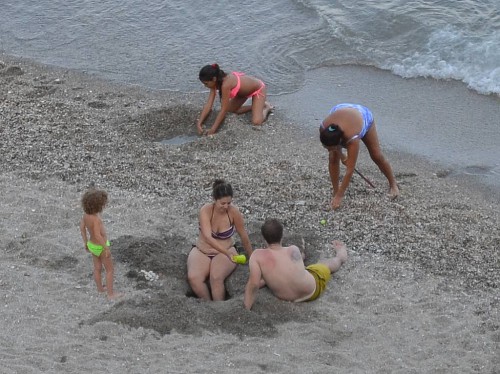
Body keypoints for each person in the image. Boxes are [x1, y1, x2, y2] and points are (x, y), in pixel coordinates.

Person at [244, 218, 348, 310]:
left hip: (288, 298)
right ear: (282, 236)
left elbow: (254, 284)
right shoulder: (293, 249)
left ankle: (341, 257)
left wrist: (246, 308)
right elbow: (299, 262)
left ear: (264, 239)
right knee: (325, 265)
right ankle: (340, 257)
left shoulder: (257, 256)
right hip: (311, 291)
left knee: (302, 269)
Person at [319, 103, 399, 210]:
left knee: (376, 155)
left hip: (362, 116)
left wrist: (340, 196)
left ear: (341, 141)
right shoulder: (324, 127)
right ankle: (335, 190)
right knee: (333, 158)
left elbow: (349, 170)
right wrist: (340, 154)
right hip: (342, 109)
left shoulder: (352, 139)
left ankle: (393, 184)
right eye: (325, 147)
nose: (327, 149)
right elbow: (336, 152)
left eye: (330, 147)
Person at [187, 179, 253, 301]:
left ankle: (219, 307)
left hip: (226, 250)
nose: (226, 206)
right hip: (203, 251)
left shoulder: (233, 212)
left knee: (216, 277)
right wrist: (226, 253)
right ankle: (208, 304)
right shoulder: (205, 210)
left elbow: (244, 236)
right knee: (193, 278)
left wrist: (252, 257)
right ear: (214, 199)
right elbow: (207, 236)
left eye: (229, 203)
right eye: (222, 203)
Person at [196, 64, 273, 135]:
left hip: (258, 89)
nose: (205, 86)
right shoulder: (214, 83)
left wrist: (213, 130)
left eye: (206, 83)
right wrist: (199, 123)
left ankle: (266, 107)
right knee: (231, 110)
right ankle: (255, 106)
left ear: (214, 79)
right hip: (242, 94)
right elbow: (209, 104)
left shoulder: (225, 85)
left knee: (256, 122)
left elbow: (223, 110)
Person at [79, 188, 121, 300]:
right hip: (100, 246)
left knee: (97, 268)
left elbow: (82, 228)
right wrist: (106, 247)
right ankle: (111, 294)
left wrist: (85, 242)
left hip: (92, 245)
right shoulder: (96, 219)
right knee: (110, 269)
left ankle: (100, 289)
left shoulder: (85, 216)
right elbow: (98, 235)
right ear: (98, 206)